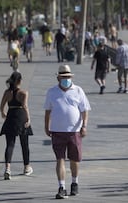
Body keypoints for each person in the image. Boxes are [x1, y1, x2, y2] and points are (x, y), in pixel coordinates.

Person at [43, 64, 91, 199]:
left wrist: (84, 126)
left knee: (75, 159)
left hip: (74, 131)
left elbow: (84, 110)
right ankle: (61, 186)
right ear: (58, 78)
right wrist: (46, 126)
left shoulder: (78, 90)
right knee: (60, 159)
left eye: (68, 77)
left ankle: (74, 183)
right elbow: (47, 111)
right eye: (63, 77)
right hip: (57, 130)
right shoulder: (52, 92)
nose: (66, 79)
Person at [0, 72, 33, 180]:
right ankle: (26, 167)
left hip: (10, 117)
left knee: (10, 144)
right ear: (20, 81)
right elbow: (25, 106)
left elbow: (1, 106)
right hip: (21, 117)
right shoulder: (23, 93)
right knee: (24, 144)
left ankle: (8, 168)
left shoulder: (7, 92)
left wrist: (3, 113)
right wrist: (28, 118)